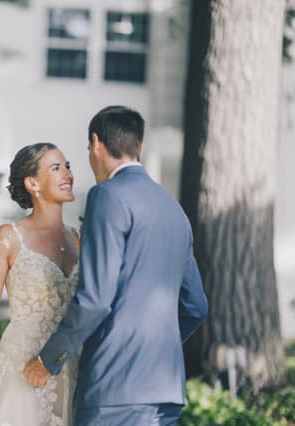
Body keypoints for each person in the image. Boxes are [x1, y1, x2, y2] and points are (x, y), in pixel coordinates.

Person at [23, 105, 208, 425]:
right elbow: (195, 306)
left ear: (96, 143)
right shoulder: (174, 209)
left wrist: (48, 359)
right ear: (139, 146)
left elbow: (95, 299)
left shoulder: (107, 196)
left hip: (114, 389)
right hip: (165, 392)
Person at [0, 142, 81, 425]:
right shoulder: (8, 237)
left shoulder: (79, 239)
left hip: (71, 362)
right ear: (32, 183)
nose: (68, 175)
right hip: (23, 364)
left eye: (68, 167)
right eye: (57, 168)